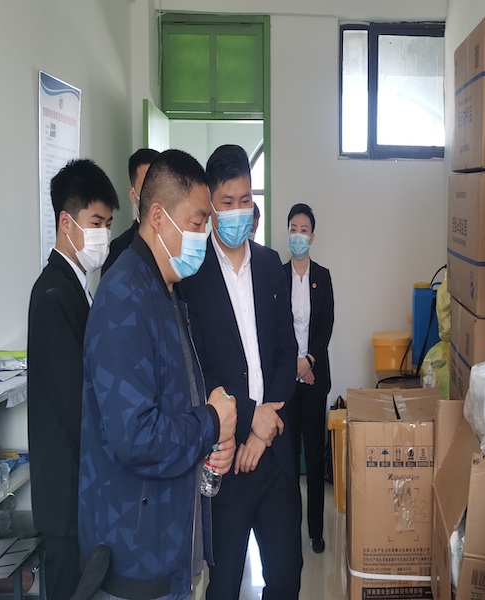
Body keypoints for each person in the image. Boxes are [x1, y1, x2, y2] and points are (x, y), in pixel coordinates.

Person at [78, 149, 237, 599]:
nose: (203, 236)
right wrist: (211, 422)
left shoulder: (164, 291)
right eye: (197, 222)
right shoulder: (123, 298)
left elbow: (172, 402)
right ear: (158, 217)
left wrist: (212, 440)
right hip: (136, 561)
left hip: (169, 545)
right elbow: (136, 437)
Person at [180, 145, 301, 599]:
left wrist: (263, 432)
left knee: (285, 577)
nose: (237, 211)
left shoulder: (269, 265)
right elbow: (199, 368)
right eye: (227, 202)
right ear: (210, 205)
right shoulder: (192, 275)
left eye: (245, 200)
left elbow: (287, 352)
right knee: (226, 581)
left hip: (275, 452)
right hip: (225, 457)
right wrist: (251, 419)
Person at [27, 158, 119, 600]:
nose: (103, 234)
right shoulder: (54, 295)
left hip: (79, 493)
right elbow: (76, 404)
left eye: (108, 224)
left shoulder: (75, 287)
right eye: (95, 223)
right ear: (67, 222)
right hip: (64, 499)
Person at [282, 203, 334, 554]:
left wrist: (309, 360)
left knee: (314, 458)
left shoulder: (323, 276)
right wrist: (294, 363)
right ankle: (289, 530)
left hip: (315, 380)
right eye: (293, 229)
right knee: (287, 461)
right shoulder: (277, 275)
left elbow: (326, 323)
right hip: (287, 381)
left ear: (312, 236)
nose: (298, 235)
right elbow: (275, 326)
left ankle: (315, 531)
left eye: (304, 230)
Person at [101, 148, 160, 276]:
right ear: (133, 195)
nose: (154, 193)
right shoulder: (118, 250)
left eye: (159, 185)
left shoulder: (180, 244)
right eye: (146, 186)